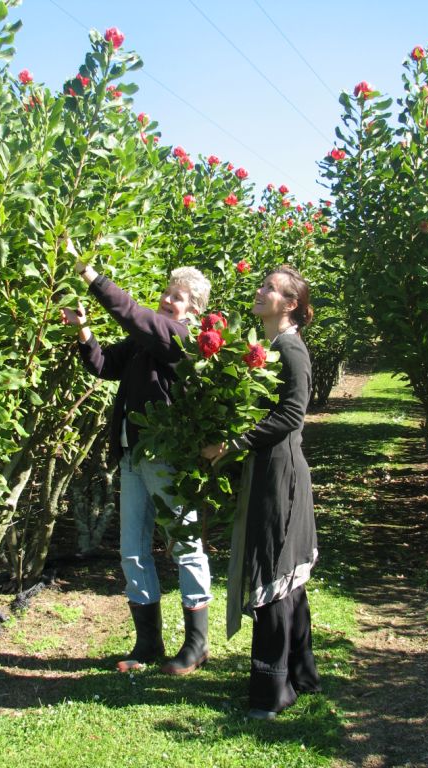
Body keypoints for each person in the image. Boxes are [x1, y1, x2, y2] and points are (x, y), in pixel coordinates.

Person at [61, 239, 212, 675]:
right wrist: (84, 331)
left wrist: (90, 275)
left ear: (194, 312)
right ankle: (148, 644)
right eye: (167, 292)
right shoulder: (147, 341)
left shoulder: (181, 339)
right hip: (132, 456)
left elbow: (133, 314)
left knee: (184, 546)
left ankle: (196, 644)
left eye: (177, 297)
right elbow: (105, 366)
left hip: (166, 457)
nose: (167, 299)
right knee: (132, 550)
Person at [202, 265, 320, 719]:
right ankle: (300, 676)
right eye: (263, 284)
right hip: (269, 470)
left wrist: (231, 445)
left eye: (271, 288)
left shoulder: (290, 349)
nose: (261, 290)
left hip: (280, 477)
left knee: (273, 575)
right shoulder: (271, 347)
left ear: (290, 304)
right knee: (288, 578)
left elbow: (293, 414)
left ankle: (269, 694)